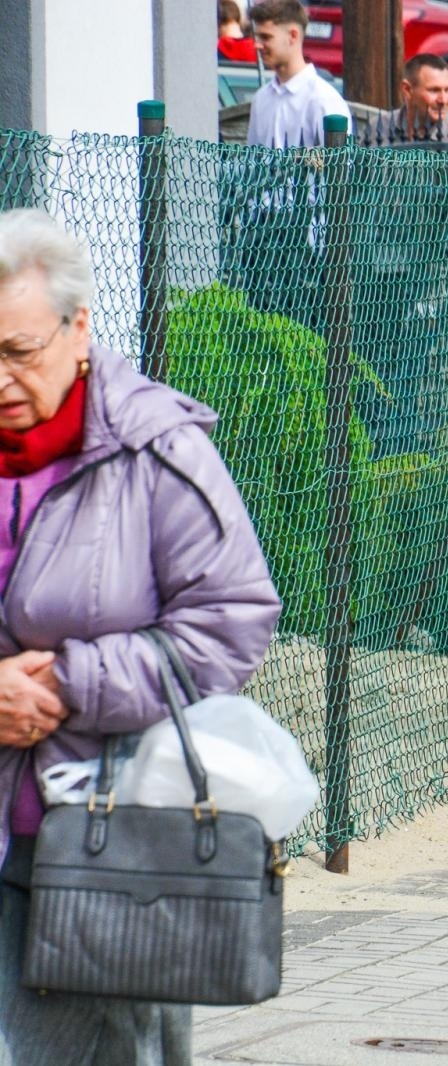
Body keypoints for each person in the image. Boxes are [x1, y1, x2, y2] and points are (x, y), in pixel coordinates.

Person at [0, 210, 282, 1059]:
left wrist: (65, 685)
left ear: (80, 328)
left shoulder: (155, 452)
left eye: (19, 352)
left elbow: (230, 623)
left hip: (99, 849)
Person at [246, 0, 350, 149]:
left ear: (293, 36)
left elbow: (338, 166)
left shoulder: (323, 100)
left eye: (266, 37)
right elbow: (252, 161)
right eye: (257, 37)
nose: (257, 44)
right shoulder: (260, 98)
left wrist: (298, 161)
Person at [362, 54, 448, 146]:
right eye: (434, 90)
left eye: (447, 90)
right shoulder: (377, 130)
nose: (443, 100)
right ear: (407, 90)